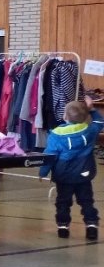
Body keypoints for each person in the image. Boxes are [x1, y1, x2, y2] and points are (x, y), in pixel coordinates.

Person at [39, 99, 101, 240]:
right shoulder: (90, 131)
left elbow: (50, 155)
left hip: (64, 175)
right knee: (86, 201)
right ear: (85, 117)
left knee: (63, 201)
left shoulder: (56, 135)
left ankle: (63, 227)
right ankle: (91, 226)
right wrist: (92, 109)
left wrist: (43, 172)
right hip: (84, 174)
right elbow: (99, 122)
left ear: (65, 116)